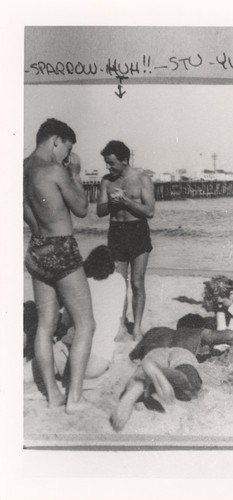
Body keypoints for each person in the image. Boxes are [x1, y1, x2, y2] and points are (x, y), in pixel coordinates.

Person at [24, 118, 95, 413]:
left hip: (36, 248)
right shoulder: (55, 170)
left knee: (44, 325)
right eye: (67, 149)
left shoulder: (18, 169)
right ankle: (74, 398)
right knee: (86, 324)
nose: (67, 155)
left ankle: (53, 395)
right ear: (55, 140)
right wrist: (75, 174)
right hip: (61, 247)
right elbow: (81, 208)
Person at [110, 314, 233, 431]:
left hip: (154, 354)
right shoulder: (197, 332)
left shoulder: (155, 331)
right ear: (198, 327)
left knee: (140, 377)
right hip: (181, 354)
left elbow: (133, 356)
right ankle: (163, 373)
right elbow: (230, 335)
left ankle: (139, 387)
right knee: (190, 385)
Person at [25, 245, 127, 389]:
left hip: (76, 360)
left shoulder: (81, 286)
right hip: (101, 363)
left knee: (30, 368)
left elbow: (66, 322)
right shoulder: (120, 281)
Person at [97, 141, 155, 341]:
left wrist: (126, 201)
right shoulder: (106, 181)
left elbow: (150, 211)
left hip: (137, 231)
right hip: (116, 232)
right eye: (106, 163)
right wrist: (112, 203)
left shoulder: (142, 179)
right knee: (119, 283)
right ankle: (120, 325)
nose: (109, 167)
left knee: (137, 282)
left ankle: (137, 327)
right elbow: (99, 211)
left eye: (112, 163)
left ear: (124, 160)